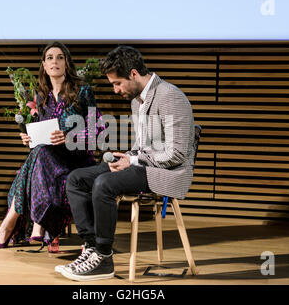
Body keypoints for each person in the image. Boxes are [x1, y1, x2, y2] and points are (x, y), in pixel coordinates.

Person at [56, 45, 196, 281]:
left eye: (117, 83)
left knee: (103, 183)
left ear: (133, 73)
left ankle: (103, 256)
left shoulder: (170, 96)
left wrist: (133, 159)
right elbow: (143, 145)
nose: (115, 89)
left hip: (167, 171)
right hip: (143, 163)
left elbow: (177, 154)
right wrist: (126, 157)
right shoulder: (136, 100)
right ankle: (91, 247)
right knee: (76, 179)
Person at [0, 42, 103, 251]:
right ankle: (36, 226)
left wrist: (69, 137)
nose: (54, 61)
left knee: (31, 164)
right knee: (38, 151)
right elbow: (42, 135)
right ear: (44, 65)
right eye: (50, 58)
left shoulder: (82, 90)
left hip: (77, 159)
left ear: (67, 63)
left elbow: (98, 131)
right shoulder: (41, 96)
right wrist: (29, 138)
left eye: (59, 57)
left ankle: (10, 225)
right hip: (48, 159)